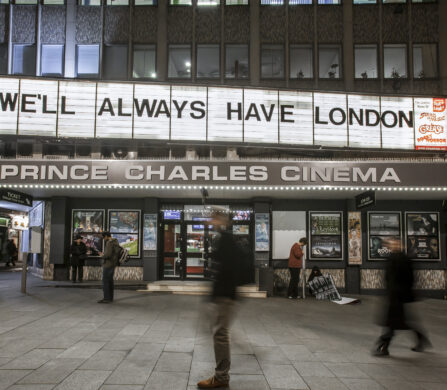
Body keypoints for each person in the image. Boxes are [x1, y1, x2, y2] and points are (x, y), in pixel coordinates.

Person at [197, 208, 240, 389]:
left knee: (221, 334)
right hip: (224, 294)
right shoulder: (225, 238)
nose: (211, 221)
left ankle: (221, 377)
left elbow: (226, 269)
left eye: (214, 219)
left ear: (223, 221)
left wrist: (216, 294)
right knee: (220, 332)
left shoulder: (227, 239)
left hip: (225, 294)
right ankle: (222, 375)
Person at [374, 237, 431, 356]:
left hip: (399, 295)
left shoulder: (404, 259)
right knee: (400, 321)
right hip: (394, 295)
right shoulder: (391, 258)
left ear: (400, 245)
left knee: (393, 321)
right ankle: (421, 339)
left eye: (394, 244)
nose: (391, 246)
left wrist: (402, 292)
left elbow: (410, 278)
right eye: (390, 244)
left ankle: (384, 346)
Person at [98, 232, 120, 304]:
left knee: (106, 281)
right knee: (110, 281)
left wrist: (102, 255)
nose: (104, 239)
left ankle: (106, 298)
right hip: (113, 264)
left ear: (106, 236)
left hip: (108, 264)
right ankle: (110, 298)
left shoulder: (109, 243)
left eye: (104, 237)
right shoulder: (115, 242)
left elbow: (108, 255)